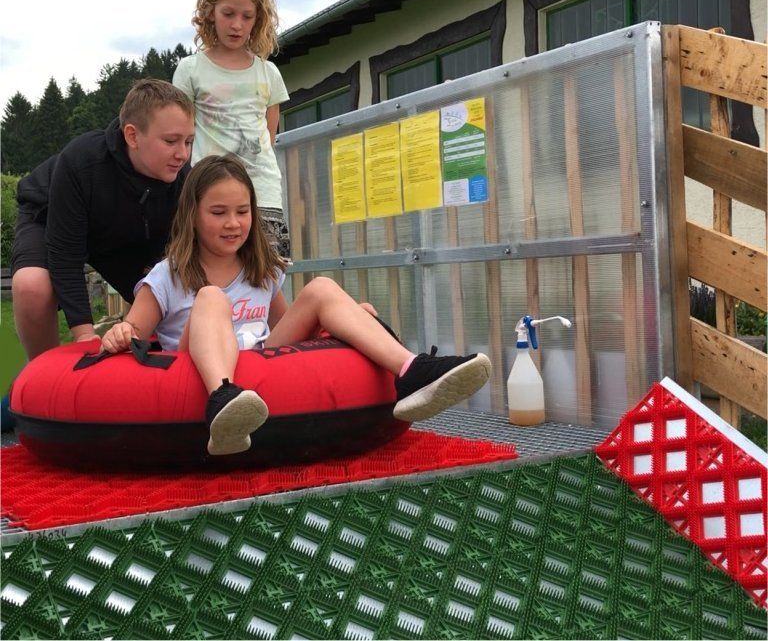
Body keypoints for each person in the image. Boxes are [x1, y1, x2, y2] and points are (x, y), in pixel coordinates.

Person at [101, 155, 491, 456]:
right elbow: (133, 332)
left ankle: (412, 371)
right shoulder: (168, 276)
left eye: (242, 212)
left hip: (258, 366)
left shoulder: (262, 270)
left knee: (321, 288)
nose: (233, 223)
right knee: (211, 296)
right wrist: (121, 332)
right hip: (198, 373)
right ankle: (222, 399)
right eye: (218, 213)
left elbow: (287, 330)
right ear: (192, 215)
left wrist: (341, 323)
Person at [10, 79, 196, 362]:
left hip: (121, 232)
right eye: (171, 141)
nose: (182, 154)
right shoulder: (82, 160)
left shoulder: (184, 180)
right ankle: (43, 377)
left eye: (189, 142)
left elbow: (177, 266)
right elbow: (65, 254)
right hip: (49, 216)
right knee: (32, 285)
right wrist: (85, 336)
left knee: (165, 296)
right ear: (132, 136)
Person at [173, 0, 290, 258]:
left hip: (262, 190)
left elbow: (269, 135)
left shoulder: (269, 72)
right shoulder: (190, 69)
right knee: (211, 268)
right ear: (210, 12)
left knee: (267, 269)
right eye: (228, 14)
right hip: (208, 189)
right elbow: (182, 133)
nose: (237, 24)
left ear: (258, 19)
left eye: (247, 16)